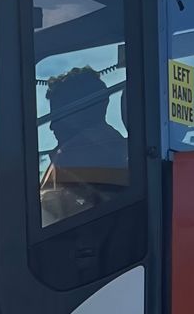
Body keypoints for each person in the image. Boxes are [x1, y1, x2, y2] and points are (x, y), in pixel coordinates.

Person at [40, 65, 128, 224]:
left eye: (57, 115)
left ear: (80, 111)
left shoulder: (73, 156)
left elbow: (47, 221)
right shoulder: (122, 149)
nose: (52, 126)